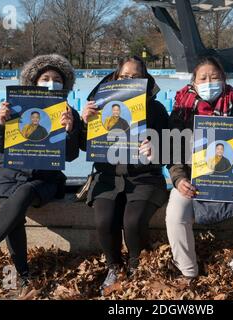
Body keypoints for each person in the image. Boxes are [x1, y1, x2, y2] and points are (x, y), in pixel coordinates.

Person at [0, 54, 83, 288]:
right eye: (45, 78)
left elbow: (71, 155)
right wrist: (1, 123)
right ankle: (23, 275)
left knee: (23, 194)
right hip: (7, 172)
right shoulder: (16, 108)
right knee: (11, 209)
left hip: (43, 177)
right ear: (34, 81)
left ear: (65, 85)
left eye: (57, 79)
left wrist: (70, 130)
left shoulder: (69, 113)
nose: (51, 83)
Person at [166, 57, 233, 279]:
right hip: (194, 179)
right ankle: (188, 271)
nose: (209, 82)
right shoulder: (181, 109)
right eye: (203, 77)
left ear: (224, 79)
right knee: (175, 215)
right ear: (193, 82)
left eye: (214, 77)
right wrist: (178, 179)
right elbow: (173, 149)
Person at [81, 56, 169, 294]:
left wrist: (157, 147)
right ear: (115, 78)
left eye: (136, 77)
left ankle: (135, 264)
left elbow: (173, 148)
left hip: (144, 177)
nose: (130, 80)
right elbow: (82, 147)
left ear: (145, 79)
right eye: (125, 77)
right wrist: (84, 122)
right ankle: (113, 266)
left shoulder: (156, 109)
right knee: (104, 221)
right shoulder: (99, 108)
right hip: (108, 177)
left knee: (132, 222)